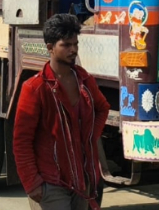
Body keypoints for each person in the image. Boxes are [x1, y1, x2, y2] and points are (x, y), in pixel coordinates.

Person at [13, 14, 110, 210]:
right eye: (66, 45)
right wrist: (32, 183)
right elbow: (21, 141)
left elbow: (103, 108)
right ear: (50, 48)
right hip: (51, 183)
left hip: (82, 181)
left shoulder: (85, 81)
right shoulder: (35, 88)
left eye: (75, 44)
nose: (73, 50)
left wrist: (89, 137)